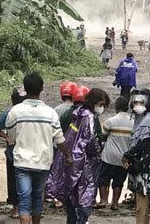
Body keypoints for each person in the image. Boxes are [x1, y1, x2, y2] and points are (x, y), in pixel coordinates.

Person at [5, 71, 73, 224]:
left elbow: (11, 135)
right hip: (43, 162)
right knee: (37, 197)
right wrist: (68, 156)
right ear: (41, 89)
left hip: (22, 162)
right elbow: (59, 139)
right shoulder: (50, 113)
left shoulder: (15, 111)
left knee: (24, 199)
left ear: (25, 89)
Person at [47, 88, 110, 224]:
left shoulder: (78, 114)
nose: (102, 108)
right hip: (84, 165)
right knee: (83, 200)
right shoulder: (89, 118)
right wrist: (99, 149)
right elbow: (91, 141)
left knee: (72, 196)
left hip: (72, 162)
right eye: (101, 104)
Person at [122, 88, 150, 224]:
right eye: (135, 102)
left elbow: (143, 144)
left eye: (141, 102)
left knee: (141, 203)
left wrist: (127, 155)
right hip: (139, 164)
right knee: (140, 201)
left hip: (145, 166)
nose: (137, 105)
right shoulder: (138, 119)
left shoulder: (148, 120)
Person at [0, 86, 27, 219]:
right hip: (29, 151)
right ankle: (27, 208)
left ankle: (16, 208)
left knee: (13, 180)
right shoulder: (33, 111)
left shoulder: (9, 112)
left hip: (13, 153)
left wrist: (6, 137)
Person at [96, 96, 132, 210]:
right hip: (124, 158)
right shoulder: (133, 123)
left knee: (103, 179)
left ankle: (103, 200)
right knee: (119, 181)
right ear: (127, 108)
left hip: (109, 157)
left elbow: (103, 137)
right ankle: (115, 203)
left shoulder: (110, 121)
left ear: (116, 108)